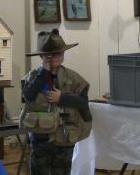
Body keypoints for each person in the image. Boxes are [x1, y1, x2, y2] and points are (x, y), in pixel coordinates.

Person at [22, 29, 92, 175]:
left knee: (62, 171)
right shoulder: (33, 76)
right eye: (50, 54)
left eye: (59, 53)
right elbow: (28, 96)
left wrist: (62, 98)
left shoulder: (74, 77)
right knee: (38, 170)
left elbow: (83, 102)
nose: (55, 57)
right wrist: (43, 73)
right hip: (40, 136)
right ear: (42, 56)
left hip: (65, 135)